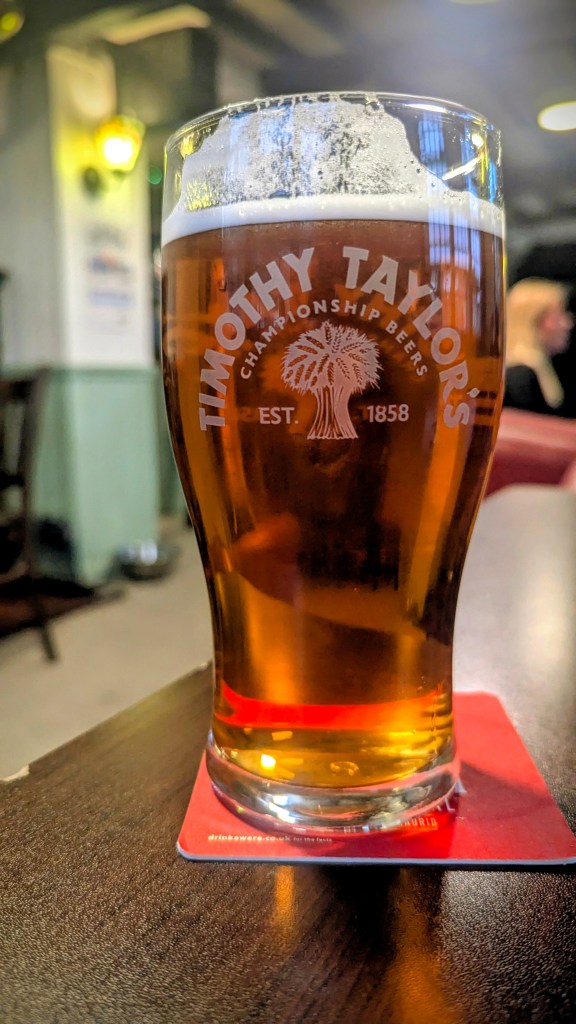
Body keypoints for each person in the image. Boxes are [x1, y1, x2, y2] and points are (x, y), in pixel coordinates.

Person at [504, 277, 574, 416]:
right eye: (556, 316)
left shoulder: (541, 367)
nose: (568, 323)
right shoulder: (520, 378)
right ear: (530, 320)